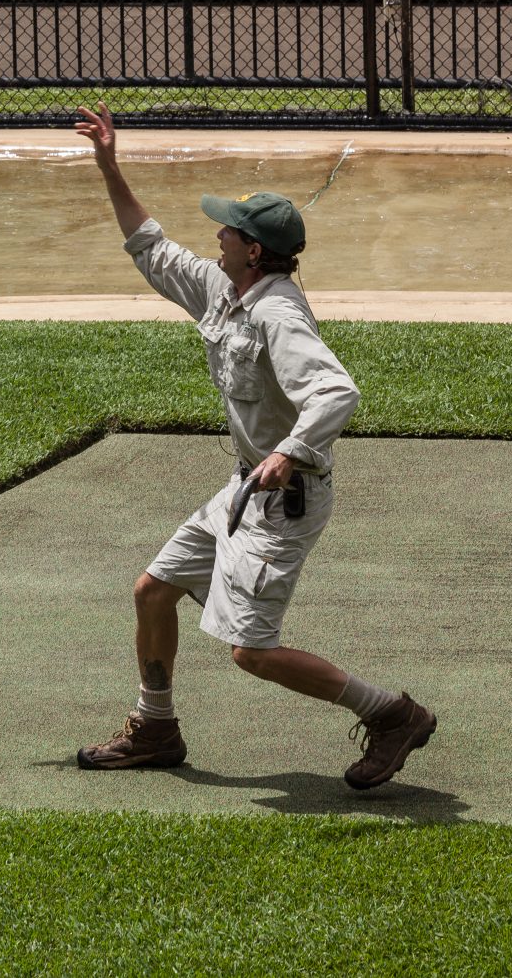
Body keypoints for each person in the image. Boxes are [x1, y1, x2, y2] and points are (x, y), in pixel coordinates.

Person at [72, 101, 436, 791]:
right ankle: (155, 728)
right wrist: (108, 164)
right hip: (244, 490)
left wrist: (289, 451)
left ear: (255, 250)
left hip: (285, 502)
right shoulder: (223, 290)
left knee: (252, 650)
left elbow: (336, 392)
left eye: (229, 230)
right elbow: (150, 245)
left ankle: (393, 713)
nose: (216, 234)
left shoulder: (276, 312)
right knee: (154, 589)